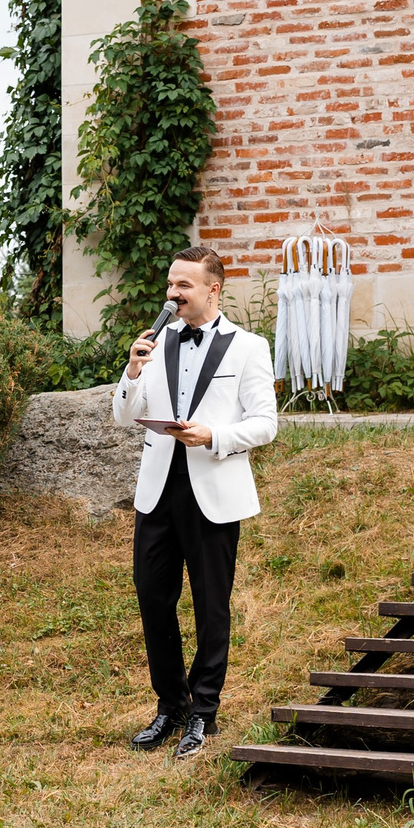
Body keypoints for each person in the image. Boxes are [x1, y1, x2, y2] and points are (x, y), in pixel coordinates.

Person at [110, 244, 279, 759]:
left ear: (213, 289)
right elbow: (123, 416)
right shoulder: (154, 343)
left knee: (211, 606)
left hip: (213, 491)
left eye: (183, 285)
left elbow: (265, 424)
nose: (172, 294)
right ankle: (170, 706)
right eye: (170, 284)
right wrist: (133, 372)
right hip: (156, 491)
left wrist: (213, 436)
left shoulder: (249, 346)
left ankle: (203, 714)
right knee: (152, 598)